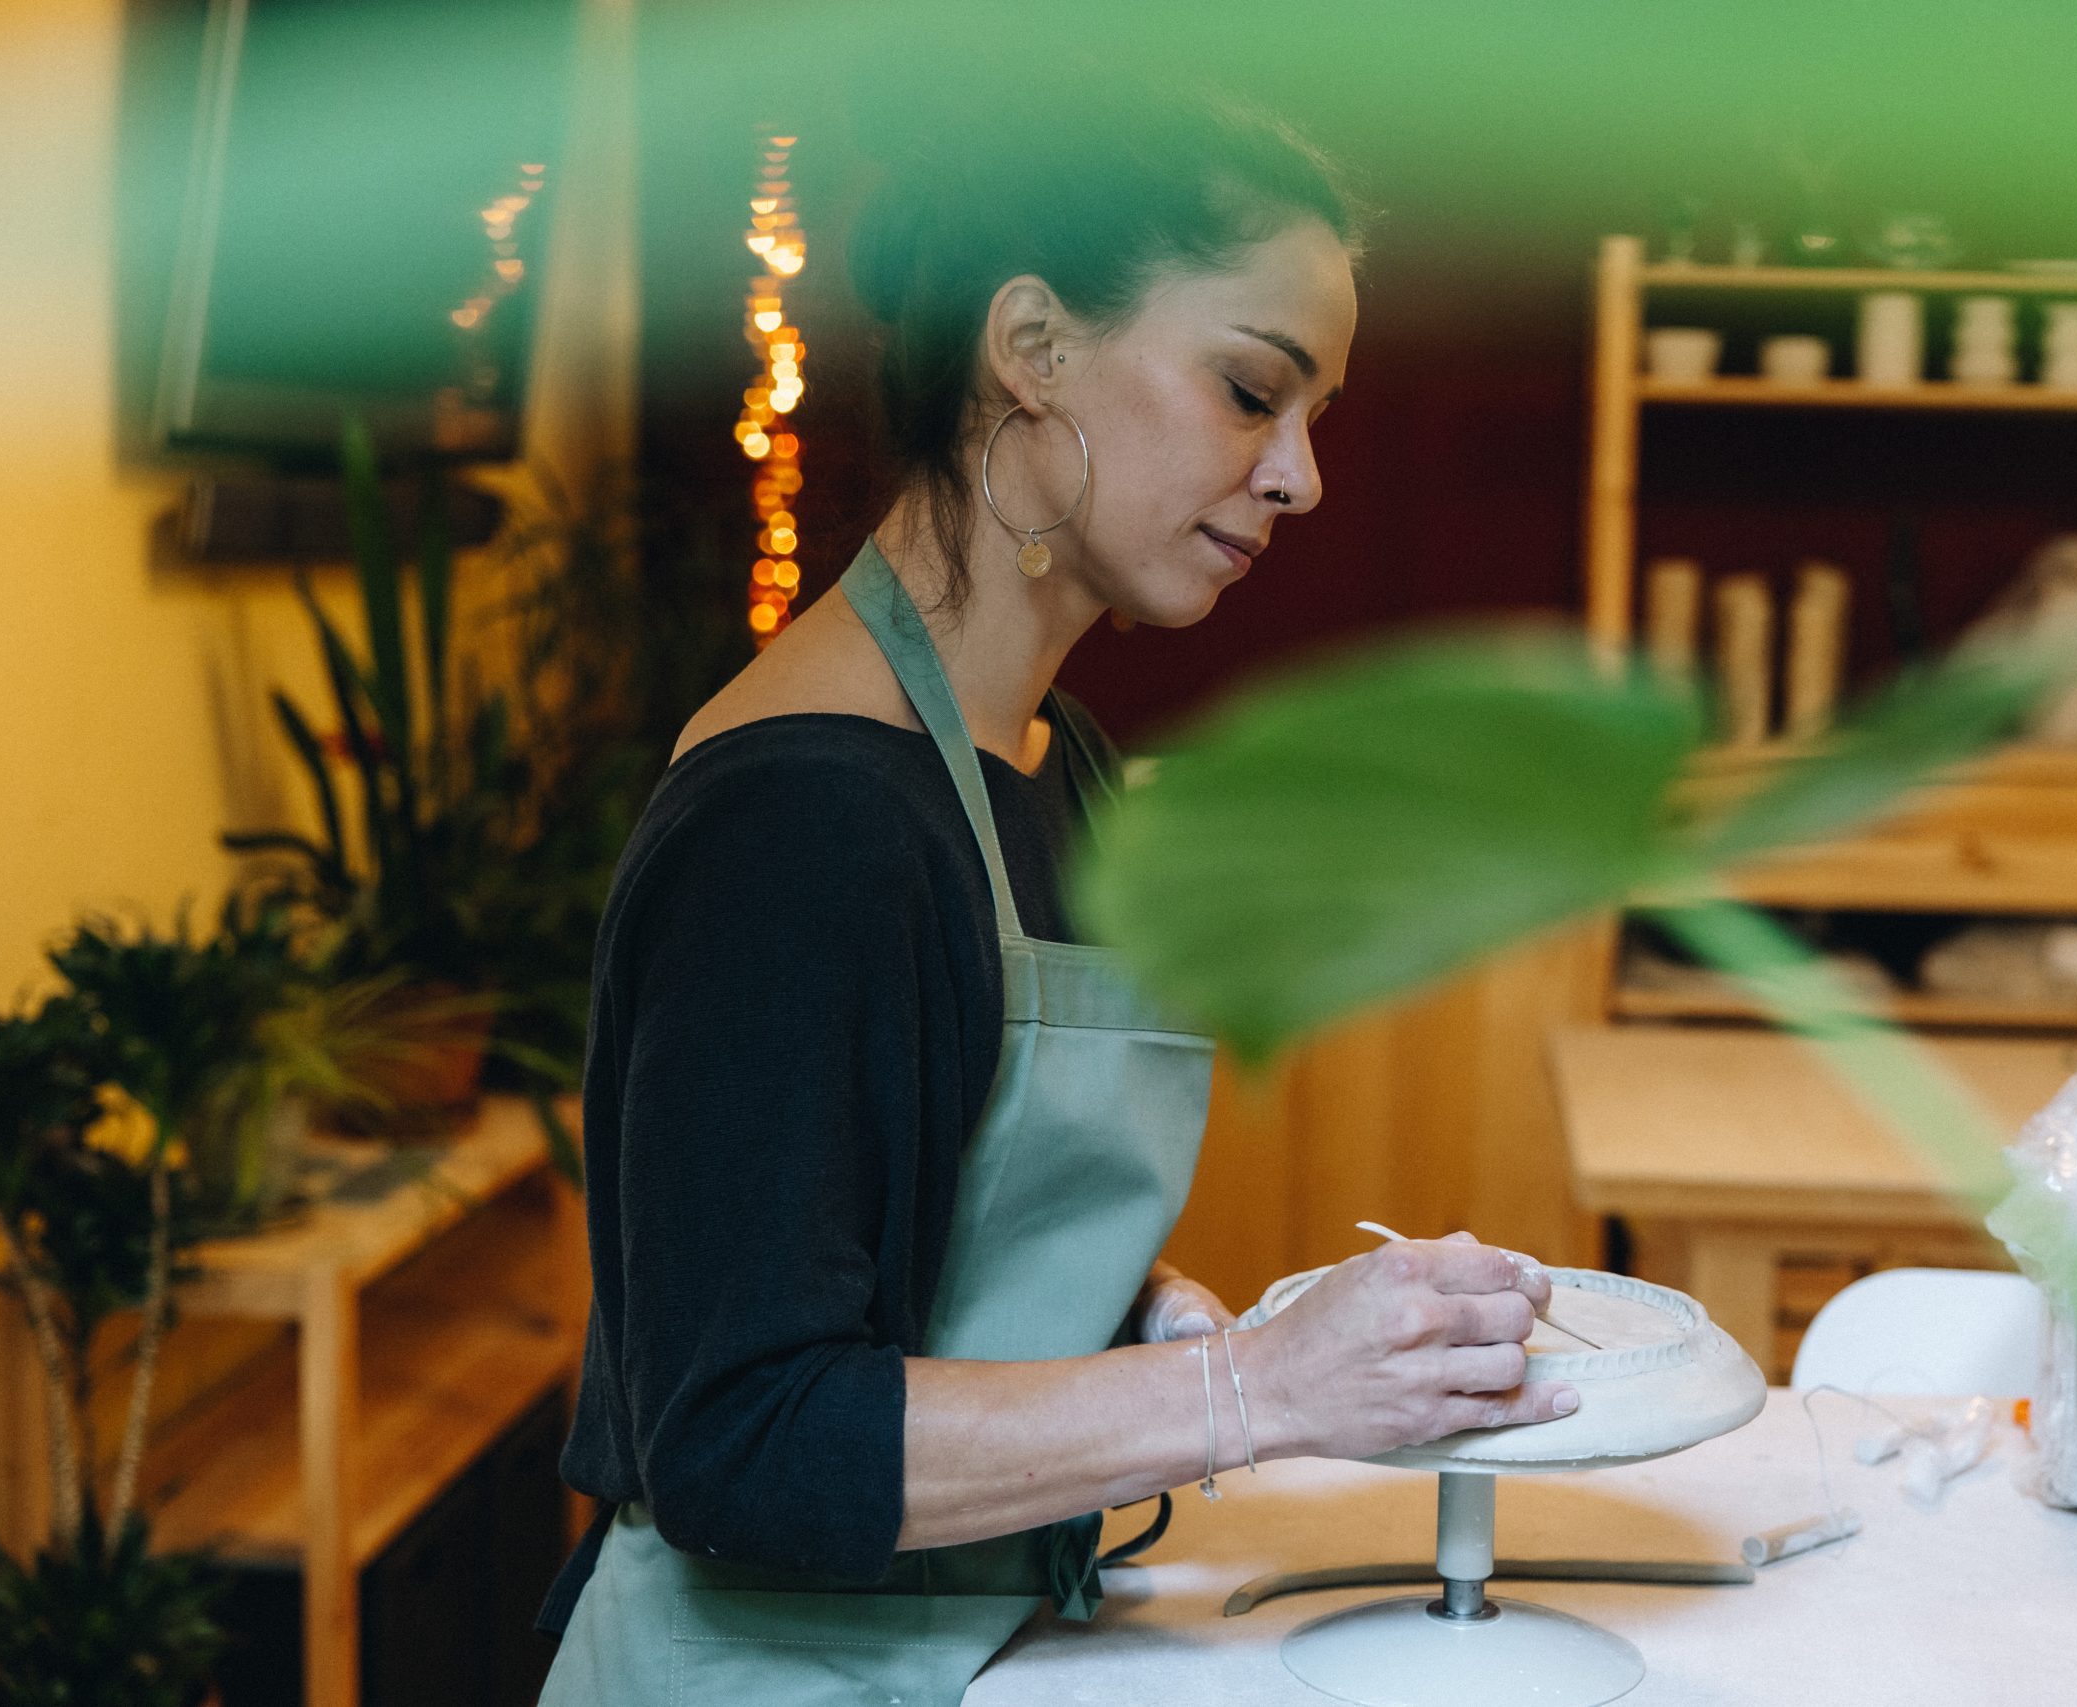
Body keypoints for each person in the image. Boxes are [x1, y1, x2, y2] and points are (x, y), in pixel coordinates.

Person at [535, 82, 1577, 1706]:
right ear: (1032, 346)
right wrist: (1247, 1392)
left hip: (980, 1644)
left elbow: (914, 1226)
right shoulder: (805, 814)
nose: (1298, 477)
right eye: (1251, 391)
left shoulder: (1055, 759)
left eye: (1310, 417)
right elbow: (741, 1436)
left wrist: (1130, 1316)